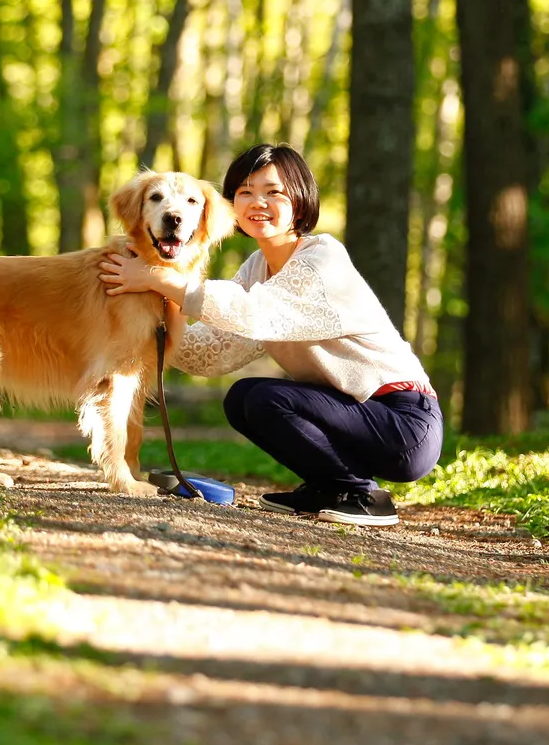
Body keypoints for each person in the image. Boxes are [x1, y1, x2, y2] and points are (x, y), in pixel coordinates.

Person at [99, 142, 441, 526]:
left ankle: (359, 494)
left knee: (264, 398)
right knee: (243, 398)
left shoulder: (323, 259)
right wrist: (156, 307)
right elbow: (211, 354)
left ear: (300, 199)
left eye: (273, 192)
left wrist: (161, 280)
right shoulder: (257, 267)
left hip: (405, 422)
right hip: (350, 414)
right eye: (245, 193)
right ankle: (329, 487)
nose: (257, 202)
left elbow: (256, 313)